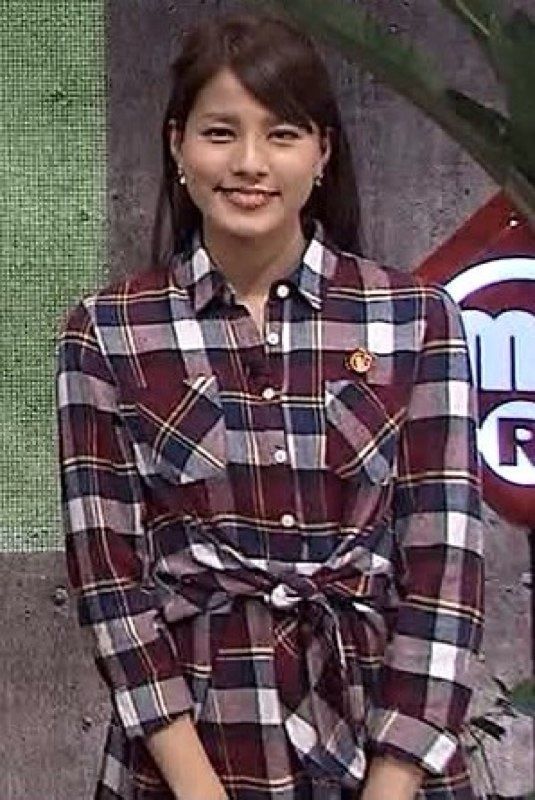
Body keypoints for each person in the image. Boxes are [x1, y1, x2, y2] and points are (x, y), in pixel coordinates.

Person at [55, 8, 484, 800]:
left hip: (382, 749)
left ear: (322, 152)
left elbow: (443, 571)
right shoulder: (108, 331)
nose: (249, 162)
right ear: (177, 144)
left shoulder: (416, 319)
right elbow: (109, 586)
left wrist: (391, 785)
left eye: (282, 134)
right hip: (194, 751)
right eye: (220, 133)